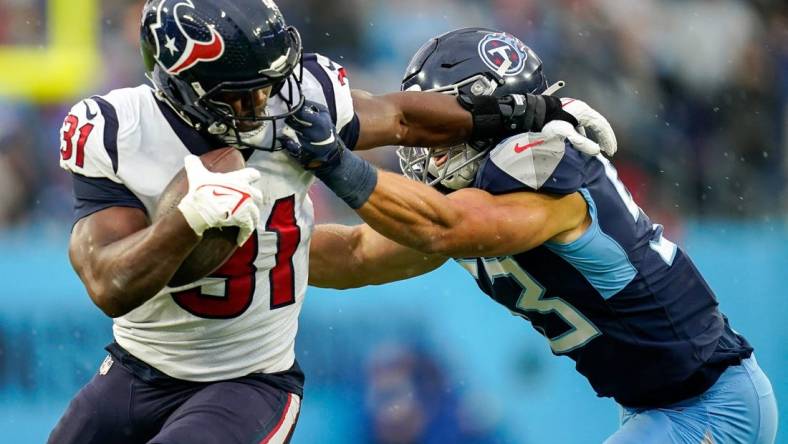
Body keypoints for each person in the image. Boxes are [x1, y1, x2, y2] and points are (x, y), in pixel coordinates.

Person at [49, 2, 615, 443]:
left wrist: (536, 110)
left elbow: (400, 117)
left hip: (247, 381)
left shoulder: (297, 94)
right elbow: (108, 284)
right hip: (135, 369)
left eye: (273, 81)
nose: (269, 100)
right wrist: (185, 220)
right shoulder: (117, 128)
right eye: (247, 92)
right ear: (182, 87)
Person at [283, 28, 779, 443]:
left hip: (712, 402)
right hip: (655, 406)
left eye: (436, 120)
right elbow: (356, 254)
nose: (423, 142)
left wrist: (333, 160)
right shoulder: (469, 196)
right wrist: (254, 249)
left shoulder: (540, 163)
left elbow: (443, 227)